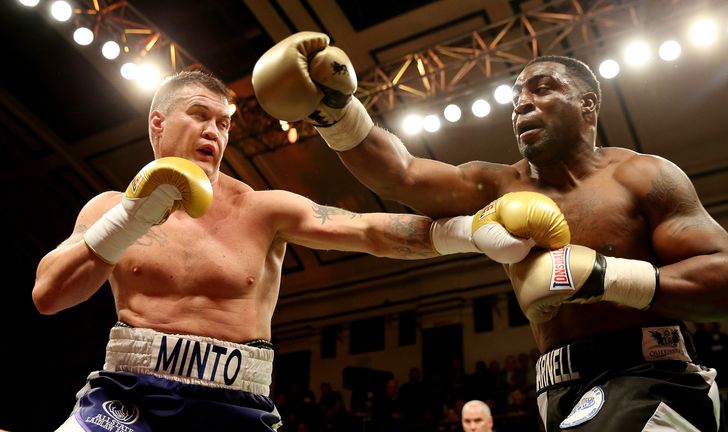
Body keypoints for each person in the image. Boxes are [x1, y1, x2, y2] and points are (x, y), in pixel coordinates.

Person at [252, 32, 728, 430]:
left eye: (542, 89)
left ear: (587, 105)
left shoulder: (644, 177)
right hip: (556, 389)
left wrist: (605, 275)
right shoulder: (499, 183)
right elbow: (402, 174)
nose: (522, 104)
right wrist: (336, 110)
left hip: (652, 376)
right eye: (517, 96)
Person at [32, 70, 560, 431]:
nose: (215, 131)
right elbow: (49, 295)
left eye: (223, 123)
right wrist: (132, 216)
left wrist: (471, 231)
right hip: (128, 395)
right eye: (200, 116)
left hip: (234, 401)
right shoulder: (108, 207)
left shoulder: (261, 209)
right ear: (158, 123)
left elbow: (367, 230)